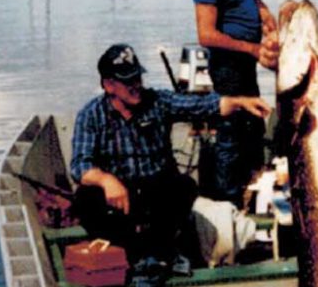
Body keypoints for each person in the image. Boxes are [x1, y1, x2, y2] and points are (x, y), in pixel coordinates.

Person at [70, 42, 270, 269]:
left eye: (137, 77)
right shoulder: (90, 115)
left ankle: (159, 249)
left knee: (183, 187)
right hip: (118, 197)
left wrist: (240, 102)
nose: (136, 85)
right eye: (128, 81)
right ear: (109, 85)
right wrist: (106, 181)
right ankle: (131, 249)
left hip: (157, 193)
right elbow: (79, 164)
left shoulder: (157, 101)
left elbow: (201, 105)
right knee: (85, 199)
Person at [192, 0, 278, 205]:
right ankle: (228, 202)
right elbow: (206, 34)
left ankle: (253, 190)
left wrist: (264, 13)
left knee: (253, 124)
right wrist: (252, 48)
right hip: (228, 65)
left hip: (246, 63)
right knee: (230, 132)